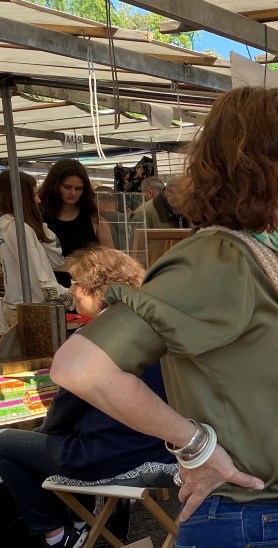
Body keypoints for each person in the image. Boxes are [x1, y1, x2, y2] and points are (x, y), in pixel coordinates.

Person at [49, 85, 278, 547]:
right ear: (265, 167)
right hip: (261, 526)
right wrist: (196, 446)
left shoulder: (261, 256)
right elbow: (80, 367)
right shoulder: (218, 259)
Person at [0, 247, 172, 548]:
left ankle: (57, 533)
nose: (71, 290)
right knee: (50, 440)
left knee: (5, 443)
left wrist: (41, 434)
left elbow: (63, 411)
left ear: (97, 289)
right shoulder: (155, 326)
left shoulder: (95, 337)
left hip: (108, 457)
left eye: (76, 283)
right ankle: (78, 522)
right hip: (161, 453)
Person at [0, 171, 71, 331]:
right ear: (22, 197)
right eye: (33, 194)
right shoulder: (19, 229)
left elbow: (54, 258)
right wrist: (72, 298)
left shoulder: (6, 226)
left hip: (16, 309)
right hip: (32, 312)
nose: (38, 200)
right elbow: (40, 279)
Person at [37, 159, 115, 257]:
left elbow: (110, 257)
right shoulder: (39, 214)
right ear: (55, 185)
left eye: (78, 188)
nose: (73, 193)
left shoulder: (95, 218)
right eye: (67, 187)